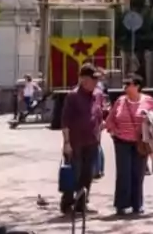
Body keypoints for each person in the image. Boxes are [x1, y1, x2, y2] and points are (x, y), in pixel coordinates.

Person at [105, 74, 153, 216]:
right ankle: (121, 205)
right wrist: (112, 131)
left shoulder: (148, 101)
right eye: (125, 84)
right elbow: (111, 118)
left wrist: (148, 118)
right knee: (123, 174)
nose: (126, 87)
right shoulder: (120, 101)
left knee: (138, 173)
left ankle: (137, 204)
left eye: (129, 84)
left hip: (140, 143)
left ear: (137, 86)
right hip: (121, 142)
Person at [60, 64, 105, 215]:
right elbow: (65, 122)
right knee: (74, 173)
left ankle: (82, 203)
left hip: (92, 141)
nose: (95, 83)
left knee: (88, 174)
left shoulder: (98, 94)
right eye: (93, 79)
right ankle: (67, 204)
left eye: (96, 80)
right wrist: (66, 143)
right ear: (84, 80)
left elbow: (100, 114)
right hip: (75, 143)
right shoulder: (73, 96)